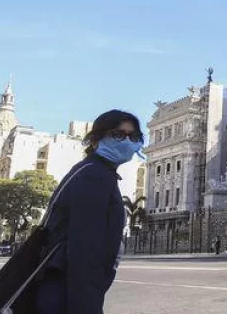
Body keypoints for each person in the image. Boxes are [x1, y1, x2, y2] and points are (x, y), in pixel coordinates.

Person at [36, 110, 145, 314]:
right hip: (65, 292)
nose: (127, 142)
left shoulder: (94, 171)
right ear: (95, 140)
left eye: (134, 137)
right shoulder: (95, 176)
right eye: (118, 135)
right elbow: (84, 251)